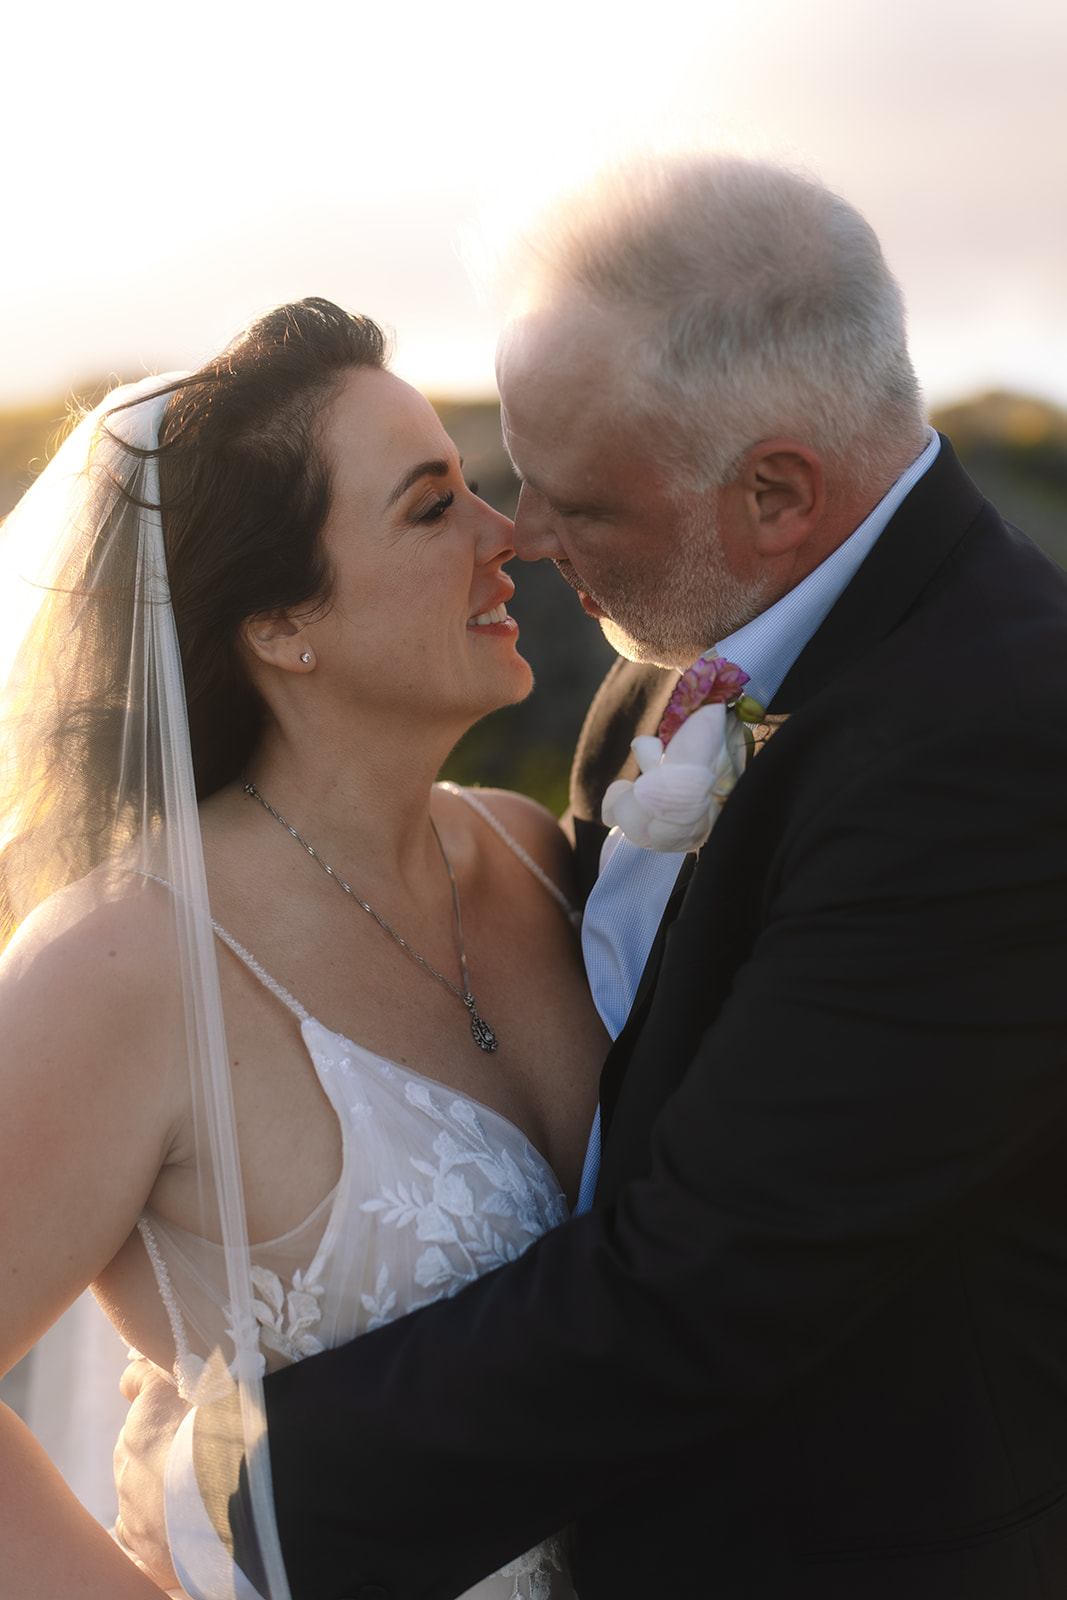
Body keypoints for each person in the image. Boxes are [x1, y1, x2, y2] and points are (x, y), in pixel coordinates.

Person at [125, 151, 1067, 1599]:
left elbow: (712, 1280)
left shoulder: (1000, 745)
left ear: (775, 494)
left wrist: (237, 1491)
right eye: (493, 482)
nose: (525, 538)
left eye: (581, 507)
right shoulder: (662, 692)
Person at [0, 297, 606, 1599]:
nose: (510, 537)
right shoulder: (129, 961)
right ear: (282, 627)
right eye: (433, 506)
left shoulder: (533, 854)